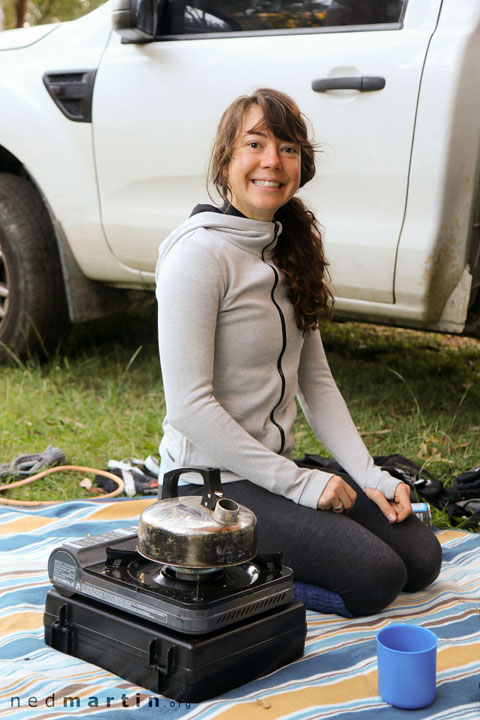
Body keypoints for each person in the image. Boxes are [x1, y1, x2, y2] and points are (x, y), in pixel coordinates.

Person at [155, 88, 442, 617]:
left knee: (421, 558)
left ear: (302, 166)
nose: (272, 161)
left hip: (274, 471)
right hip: (211, 484)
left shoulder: (287, 248)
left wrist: (372, 475)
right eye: (255, 144)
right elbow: (190, 407)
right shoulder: (197, 256)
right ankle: (228, 580)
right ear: (226, 160)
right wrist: (304, 485)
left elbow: (318, 384)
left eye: (288, 148)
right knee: (376, 579)